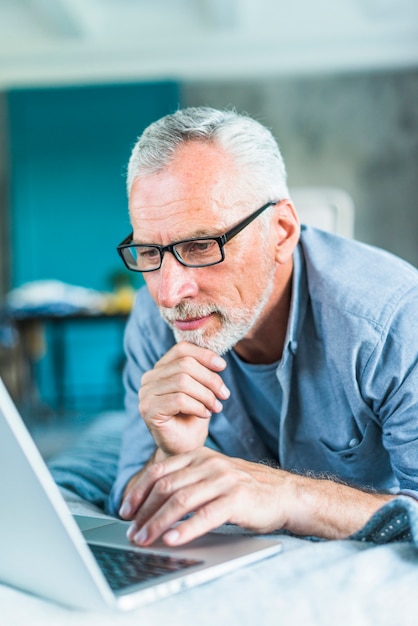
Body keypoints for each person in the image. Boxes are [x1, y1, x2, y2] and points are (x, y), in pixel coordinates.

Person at [107, 106, 418, 548]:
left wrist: (291, 495)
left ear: (282, 231)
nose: (169, 293)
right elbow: (130, 505)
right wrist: (174, 453)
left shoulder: (392, 320)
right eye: (149, 253)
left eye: (199, 246)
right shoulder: (152, 322)